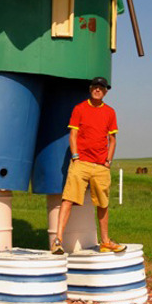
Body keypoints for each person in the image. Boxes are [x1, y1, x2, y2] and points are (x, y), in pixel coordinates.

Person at [51, 77, 127, 254]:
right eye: (95, 87)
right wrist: (76, 157)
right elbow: (73, 135)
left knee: (103, 203)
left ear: (106, 91)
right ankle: (58, 240)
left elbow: (112, 140)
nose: (98, 90)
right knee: (68, 199)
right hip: (81, 163)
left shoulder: (110, 112)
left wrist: (108, 161)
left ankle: (106, 241)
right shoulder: (80, 108)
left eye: (101, 87)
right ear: (90, 89)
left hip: (101, 166)